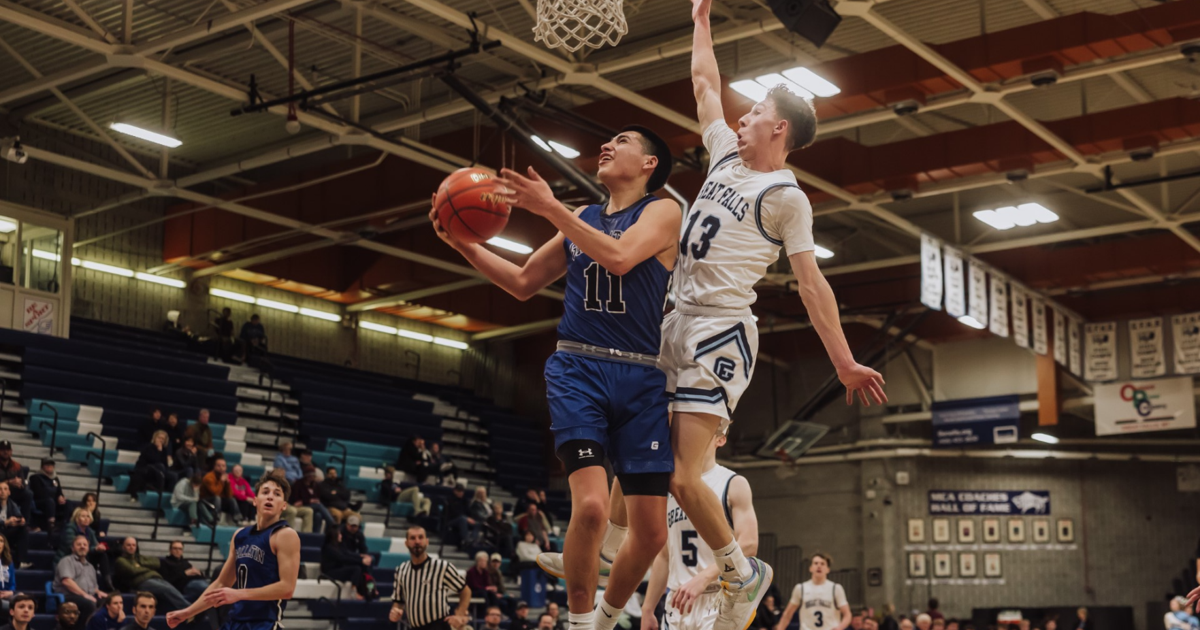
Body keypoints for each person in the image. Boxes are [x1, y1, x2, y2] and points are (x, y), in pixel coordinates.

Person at [653, 4, 889, 629]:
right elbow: (705, 85)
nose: (741, 115)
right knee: (645, 462)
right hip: (674, 319)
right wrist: (701, 19)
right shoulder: (726, 154)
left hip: (719, 331)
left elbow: (812, 285)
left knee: (681, 476)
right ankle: (615, 558)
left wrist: (842, 362)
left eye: (755, 112)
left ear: (778, 128)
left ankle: (743, 569)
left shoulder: (786, 197)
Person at [639, 427, 757, 630]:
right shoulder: (670, 487)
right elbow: (665, 556)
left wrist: (703, 578)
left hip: (718, 596)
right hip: (677, 602)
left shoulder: (733, 483)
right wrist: (648, 609)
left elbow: (748, 544)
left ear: (720, 440)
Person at [166, 473, 300, 629]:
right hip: (235, 622)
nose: (270, 497)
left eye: (277, 494)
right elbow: (222, 583)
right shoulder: (240, 535)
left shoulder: (285, 535)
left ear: (283, 505)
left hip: (264, 624)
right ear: (255, 501)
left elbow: (287, 589)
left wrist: (239, 594)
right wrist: (188, 612)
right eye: (265, 492)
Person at [388, 526, 471, 630]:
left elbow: (465, 591)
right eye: (413, 538)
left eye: (420, 537)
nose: (417, 541)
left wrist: (460, 614)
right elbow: (398, 601)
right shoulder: (401, 570)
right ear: (406, 543)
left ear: (427, 541)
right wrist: (394, 611)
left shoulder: (442, 566)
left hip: (438, 626)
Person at [114, 538, 191, 613]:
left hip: (155, 578)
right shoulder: (120, 560)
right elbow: (132, 570)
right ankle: (189, 611)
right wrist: (148, 569)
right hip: (141, 582)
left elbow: (157, 563)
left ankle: (190, 609)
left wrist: (140, 565)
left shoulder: (140, 558)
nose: (131, 547)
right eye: (129, 545)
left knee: (173, 589)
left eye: (134, 545)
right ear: (123, 547)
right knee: (166, 589)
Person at [774, 554, 850, 630]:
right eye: (816, 563)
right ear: (810, 568)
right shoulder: (800, 588)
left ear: (828, 569)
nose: (819, 566)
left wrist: (839, 627)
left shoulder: (836, 588)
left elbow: (847, 614)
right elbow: (787, 614)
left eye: (822, 563)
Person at [56, 535, 108, 628]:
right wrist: (84, 594)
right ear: (72, 548)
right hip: (68, 596)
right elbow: (66, 581)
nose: (82, 546)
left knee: (109, 602)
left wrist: (98, 592)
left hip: (87, 596)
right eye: (79, 544)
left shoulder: (90, 566)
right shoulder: (66, 561)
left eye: (85, 545)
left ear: (88, 548)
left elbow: (93, 587)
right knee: (89, 604)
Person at [55, 509, 113, 592]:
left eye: (88, 516)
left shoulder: (90, 531)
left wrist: (99, 547)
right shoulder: (69, 529)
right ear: (77, 518)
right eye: (83, 516)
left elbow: (95, 544)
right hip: (68, 559)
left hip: (83, 557)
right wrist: (94, 548)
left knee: (102, 555)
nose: (86, 518)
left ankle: (108, 581)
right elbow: (73, 548)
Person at [320, 527, 375, 601]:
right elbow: (343, 558)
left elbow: (348, 553)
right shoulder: (329, 548)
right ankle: (354, 592)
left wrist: (361, 556)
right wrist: (361, 561)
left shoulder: (339, 546)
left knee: (362, 568)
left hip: (338, 569)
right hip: (330, 572)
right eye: (339, 534)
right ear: (334, 535)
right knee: (356, 569)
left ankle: (369, 590)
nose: (341, 536)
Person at [131, 431, 177, 497]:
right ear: (155, 438)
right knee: (160, 466)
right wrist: (159, 451)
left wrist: (161, 451)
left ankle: (168, 496)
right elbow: (153, 460)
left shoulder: (164, 450)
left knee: (173, 475)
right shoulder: (148, 447)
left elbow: (165, 464)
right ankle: (158, 492)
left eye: (163, 439)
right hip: (146, 468)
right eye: (159, 438)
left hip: (160, 470)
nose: (161, 440)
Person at [0, 444, 32, 534]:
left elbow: (23, 482)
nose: (5, 452)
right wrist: (9, 482)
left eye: (7, 449)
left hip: (13, 492)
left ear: (11, 451)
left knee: (28, 494)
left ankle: (24, 522)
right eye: (3, 449)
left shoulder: (17, 466)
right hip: (0, 492)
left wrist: (19, 484)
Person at [29, 458, 67, 531]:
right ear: (43, 466)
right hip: (40, 502)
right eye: (47, 465)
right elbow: (38, 493)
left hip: (53, 501)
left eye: (51, 465)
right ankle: (51, 524)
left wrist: (60, 497)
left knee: (68, 503)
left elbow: (59, 491)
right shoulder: (35, 477)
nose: (49, 466)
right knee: (49, 501)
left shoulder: (55, 478)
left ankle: (65, 523)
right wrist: (55, 497)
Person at [292, 467, 334, 533]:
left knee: (318, 515)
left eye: (314, 475)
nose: (313, 477)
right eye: (311, 475)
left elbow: (317, 498)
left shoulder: (315, 485)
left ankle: (315, 536)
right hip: (301, 506)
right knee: (318, 505)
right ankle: (332, 523)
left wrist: (312, 500)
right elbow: (296, 500)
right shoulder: (298, 484)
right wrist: (309, 501)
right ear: (307, 475)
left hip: (312, 506)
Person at [200, 457, 239, 526]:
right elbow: (215, 493)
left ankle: (237, 518)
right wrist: (221, 482)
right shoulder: (209, 477)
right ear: (214, 466)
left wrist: (227, 483)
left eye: (223, 466)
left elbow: (230, 495)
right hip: (207, 501)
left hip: (219, 501)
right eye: (219, 466)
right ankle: (215, 517)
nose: (221, 468)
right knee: (217, 498)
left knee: (232, 500)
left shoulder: (224, 477)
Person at [0, 484, 28, 568]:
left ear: (9, 492)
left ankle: (21, 561)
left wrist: (21, 521)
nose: (3, 491)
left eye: (5, 489)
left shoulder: (12, 504)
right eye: (0, 489)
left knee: (23, 529)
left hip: (6, 532)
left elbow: (18, 515)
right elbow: (6, 523)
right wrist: (5, 522)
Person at [0, 534, 12, 624]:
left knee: (21, 596)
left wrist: (11, 592)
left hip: (6, 594)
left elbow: (13, 583)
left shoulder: (9, 563)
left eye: (1, 541)